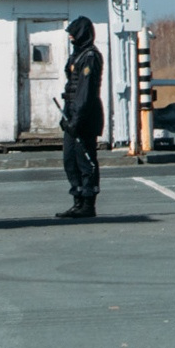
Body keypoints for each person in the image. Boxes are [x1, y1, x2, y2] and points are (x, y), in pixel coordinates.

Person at [57, 15, 105, 220]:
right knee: (70, 160)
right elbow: (72, 87)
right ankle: (77, 200)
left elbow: (84, 93)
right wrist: (66, 116)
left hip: (85, 116)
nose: (70, 38)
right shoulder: (77, 55)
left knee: (85, 161)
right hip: (72, 114)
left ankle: (88, 203)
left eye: (73, 34)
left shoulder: (90, 57)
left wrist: (76, 120)